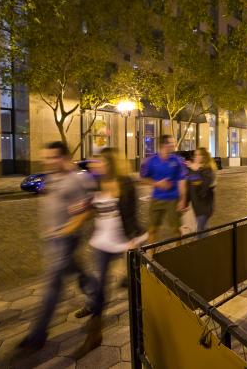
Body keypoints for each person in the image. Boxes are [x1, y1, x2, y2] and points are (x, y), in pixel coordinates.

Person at [17, 141, 96, 353]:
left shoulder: (76, 180)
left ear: (64, 157)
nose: (48, 161)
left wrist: (65, 232)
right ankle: (96, 297)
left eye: (53, 157)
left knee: (52, 287)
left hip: (65, 240)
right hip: (52, 240)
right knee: (78, 271)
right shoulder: (52, 177)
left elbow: (85, 212)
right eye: (46, 157)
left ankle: (37, 335)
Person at [74, 148, 147, 357]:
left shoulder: (126, 184)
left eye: (99, 161)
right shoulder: (96, 183)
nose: (94, 164)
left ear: (110, 163)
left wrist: (134, 239)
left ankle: (142, 322)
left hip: (123, 240)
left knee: (135, 284)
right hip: (101, 243)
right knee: (100, 287)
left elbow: (131, 214)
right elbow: (94, 208)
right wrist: (81, 210)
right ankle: (95, 333)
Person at [140, 135, 187, 249]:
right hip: (157, 198)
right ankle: (151, 256)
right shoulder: (151, 161)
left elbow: (182, 180)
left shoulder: (177, 160)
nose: (174, 145)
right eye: (171, 143)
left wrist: (182, 200)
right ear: (164, 145)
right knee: (152, 229)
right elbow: (142, 178)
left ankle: (179, 250)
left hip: (173, 199)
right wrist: (157, 183)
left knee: (175, 229)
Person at [186, 147, 216, 231]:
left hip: (205, 205)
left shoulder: (208, 169)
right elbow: (189, 186)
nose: (195, 157)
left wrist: (195, 169)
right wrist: (185, 201)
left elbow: (204, 187)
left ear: (204, 157)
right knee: (203, 229)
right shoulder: (194, 169)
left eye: (198, 155)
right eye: (195, 155)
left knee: (200, 230)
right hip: (196, 205)